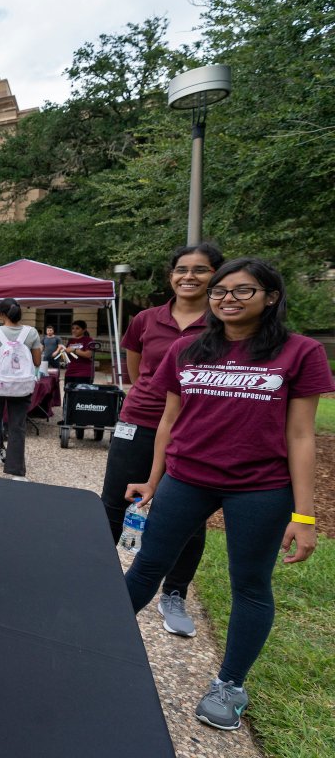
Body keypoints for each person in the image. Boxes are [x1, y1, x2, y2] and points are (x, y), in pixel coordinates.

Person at [124, 257, 332, 732]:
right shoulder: (187, 348)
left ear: (271, 297)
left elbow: (301, 437)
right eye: (220, 292)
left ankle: (230, 685)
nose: (227, 300)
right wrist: (154, 480)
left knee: (250, 584)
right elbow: (169, 422)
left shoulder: (299, 352)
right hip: (186, 478)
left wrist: (305, 517)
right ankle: (97, 638)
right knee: (147, 566)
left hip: (260, 487)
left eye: (242, 291)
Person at [101, 244, 223, 637]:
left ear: (216, 276)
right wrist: (151, 395)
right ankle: (101, 581)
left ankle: (174, 592)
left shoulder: (225, 322)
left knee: (187, 513)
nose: (189, 276)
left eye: (200, 270)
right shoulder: (146, 319)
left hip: (197, 427)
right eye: (181, 269)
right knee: (114, 501)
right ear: (170, 275)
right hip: (139, 419)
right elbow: (137, 369)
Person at [0, 298, 41, 480]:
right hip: (22, 384)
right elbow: (36, 362)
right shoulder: (31, 332)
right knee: (17, 426)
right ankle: (16, 471)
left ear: (1, 314)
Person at [56, 320, 96, 385]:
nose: (74, 330)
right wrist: (62, 353)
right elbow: (66, 359)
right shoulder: (71, 340)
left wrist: (74, 350)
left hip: (84, 373)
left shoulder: (89, 340)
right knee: (69, 393)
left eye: (77, 328)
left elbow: (88, 355)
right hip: (70, 372)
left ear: (84, 330)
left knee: (81, 394)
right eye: (73, 328)